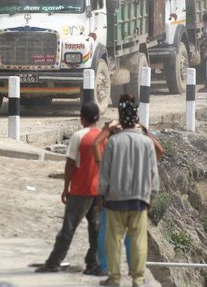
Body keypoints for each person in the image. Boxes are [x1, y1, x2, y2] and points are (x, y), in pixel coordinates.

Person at [35, 102, 105, 276]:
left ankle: (53, 262)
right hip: (99, 191)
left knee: (68, 228)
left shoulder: (79, 136)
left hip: (81, 190)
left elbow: (70, 165)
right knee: (96, 230)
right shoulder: (105, 138)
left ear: (82, 118)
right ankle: (93, 264)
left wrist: (66, 188)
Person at [98, 94, 160, 287]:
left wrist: (102, 195)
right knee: (138, 241)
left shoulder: (113, 143)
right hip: (140, 200)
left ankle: (115, 279)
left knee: (114, 240)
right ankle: (138, 279)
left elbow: (104, 175)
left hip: (115, 199)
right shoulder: (147, 143)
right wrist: (151, 197)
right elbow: (154, 176)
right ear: (137, 119)